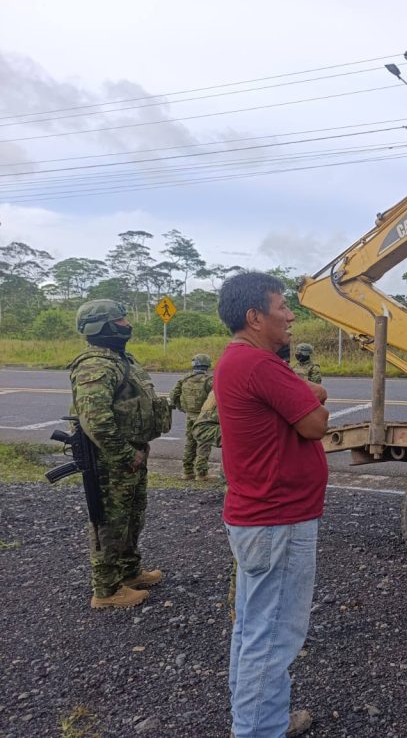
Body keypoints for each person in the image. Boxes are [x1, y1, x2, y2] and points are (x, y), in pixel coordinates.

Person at [215, 272, 329, 738]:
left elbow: (304, 405)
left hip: (259, 518)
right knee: (273, 638)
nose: (290, 315)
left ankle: (258, 721)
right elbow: (315, 423)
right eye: (282, 306)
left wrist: (306, 396)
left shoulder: (240, 361)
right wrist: (309, 397)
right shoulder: (260, 365)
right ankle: (259, 731)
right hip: (277, 520)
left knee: (252, 632)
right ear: (254, 317)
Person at [69, 299, 172, 609]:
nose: (128, 324)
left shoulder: (118, 359)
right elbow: (96, 420)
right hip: (112, 461)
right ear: (104, 326)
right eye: (121, 320)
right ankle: (106, 590)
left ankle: (128, 572)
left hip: (131, 456)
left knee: (132, 517)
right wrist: (126, 455)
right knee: (109, 523)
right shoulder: (95, 365)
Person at [169, 353, 214, 482]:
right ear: (207, 365)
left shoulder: (184, 379)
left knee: (190, 442)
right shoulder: (209, 380)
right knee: (204, 443)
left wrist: (182, 408)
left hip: (189, 415)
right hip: (204, 416)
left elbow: (173, 396)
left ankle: (187, 472)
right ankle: (201, 473)